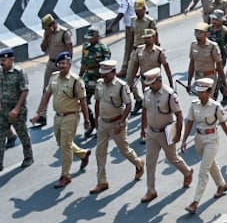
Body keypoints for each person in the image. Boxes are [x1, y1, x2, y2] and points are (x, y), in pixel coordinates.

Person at [139, 68, 193, 201]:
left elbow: (179, 115)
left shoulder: (169, 95)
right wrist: (143, 128)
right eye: (149, 84)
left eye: (153, 83)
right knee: (150, 161)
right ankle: (151, 190)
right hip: (152, 131)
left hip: (167, 131)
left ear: (159, 81)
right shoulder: (147, 93)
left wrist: (178, 133)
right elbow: (144, 110)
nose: (150, 86)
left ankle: (187, 172)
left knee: (172, 158)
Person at [182, 79, 227, 215]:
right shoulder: (194, 105)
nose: (200, 95)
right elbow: (189, 123)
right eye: (198, 92)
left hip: (212, 139)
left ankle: (195, 202)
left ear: (209, 92)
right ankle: (222, 185)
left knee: (203, 171)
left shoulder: (216, 107)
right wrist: (184, 140)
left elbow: (223, 123)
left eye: (203, 92)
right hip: (199, 139)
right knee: (210, 164)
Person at [90, 59, 140, 192]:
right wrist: (96, 119)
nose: (103, 77)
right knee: (100, 152)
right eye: (102, 75)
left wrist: (122, 122)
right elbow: (97, 102)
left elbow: (129, 105)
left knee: (124, 150)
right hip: (103, 123)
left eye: (106, 75)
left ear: (113, 72)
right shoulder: (100, 84)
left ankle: (138, 163)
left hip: (117, 123)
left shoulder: (121, 86)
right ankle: (102, 181)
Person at [44, 52, 92, 188]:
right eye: (59, 64)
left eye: (64, 64)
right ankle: (82, 154)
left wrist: (87, 119)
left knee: (65, 146)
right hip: (57, 116)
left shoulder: (76, 81)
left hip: (71, 116)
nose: (61, 66)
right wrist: (40, 112)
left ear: (70, 65)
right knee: (62, 142)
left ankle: (66, 175)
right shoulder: (53, 78)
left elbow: (83, 102)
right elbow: (46, 95)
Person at [0, 49, 32, 171]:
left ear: (11, 60)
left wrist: (17, 109)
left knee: (22, 134)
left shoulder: (19, 72)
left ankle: (28, 157)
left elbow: (24, 91)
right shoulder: (0, 72)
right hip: (3, 110)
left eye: (4, 60)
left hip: (17, 111)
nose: (2, 63)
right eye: (0, 61)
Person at [32, 14, 76, 128]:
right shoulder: (48, 34)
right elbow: (43, 48)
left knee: (63, 90)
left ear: (52, 25)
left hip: (61, 64)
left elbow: (70, 49)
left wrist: (67, 65)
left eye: (47, 28)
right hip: (51, 64)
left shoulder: (64, 33)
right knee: (46, 89)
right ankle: (42, 115)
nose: (46, 30)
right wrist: (47, 37)